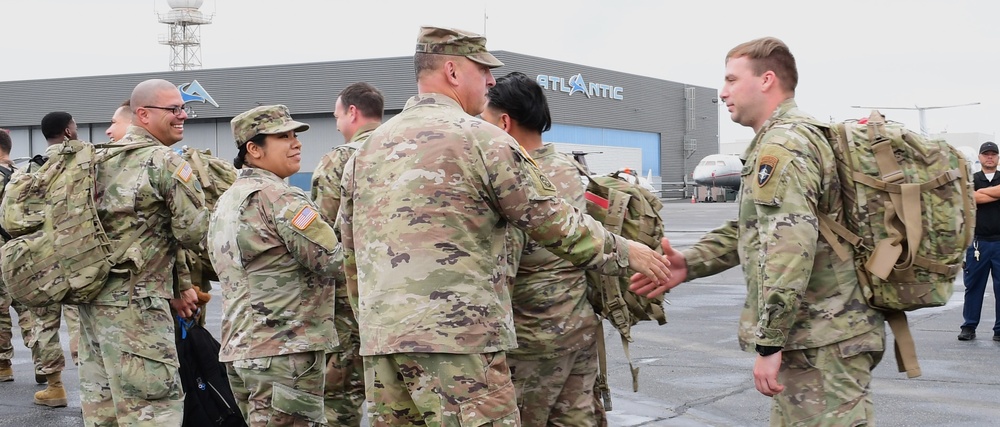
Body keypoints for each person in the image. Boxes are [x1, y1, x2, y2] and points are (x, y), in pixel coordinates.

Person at [339, 26, 671, 426]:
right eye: (483, 70)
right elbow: (553, 222)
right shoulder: (482, 139)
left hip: (384, 347)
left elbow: (351, 254)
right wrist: (627, 251)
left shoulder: (364, 151)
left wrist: (374, 326)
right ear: (453, 71)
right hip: (459, 346)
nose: (492, 80)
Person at [631, 37, 885, 426]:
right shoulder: (789, 138)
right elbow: (753, 227)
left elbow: (790, 246)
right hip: (829, 333)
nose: (723, 91)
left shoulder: (782, 144)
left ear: (766, 80)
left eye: (732, 79)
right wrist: (691, 262)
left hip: (823, 338)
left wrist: (771, 341)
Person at [77, 78, 209, 425]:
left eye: (183, 108)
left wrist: (180, 285)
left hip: (92, 305)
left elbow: (158, 232)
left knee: (102, 409)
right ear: (144, 114)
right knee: (153, 410)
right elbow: (196, 231)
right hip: (139, 308)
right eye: (174, 109)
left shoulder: (98, 160)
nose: (183, 115)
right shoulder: (164, 162)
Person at [481, 71, 605, 426]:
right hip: (578, 329)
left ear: (504, 122)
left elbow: (501, 265)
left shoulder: (514, 178)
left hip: (531, 341)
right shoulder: (568, 167)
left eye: (485, 119)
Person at [210, 104, 343, 426]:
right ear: (253, 149)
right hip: (284, 352)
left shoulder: (228, 199)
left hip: (242, 349)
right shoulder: (281, 198)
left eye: (295, 135)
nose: (296, 143)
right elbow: (334, 261)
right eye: (283, 137)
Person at [311, 81, 383, 426]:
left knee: (339, 398)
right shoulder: (406, 148)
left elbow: (322, 237)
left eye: (337, 116)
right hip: (409, 297)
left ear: (352, 112)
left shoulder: (339, 160)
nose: (337, 123)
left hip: (350, 302)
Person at [0, 127, 69, 408]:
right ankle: (44, 366)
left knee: (1, 311)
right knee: (31, 311)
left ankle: (4, 365)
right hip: (31, 252)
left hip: (4, 253)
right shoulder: (24, 173)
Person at [959, 141, 1000, 341]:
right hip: (978, 243)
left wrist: (979, 195)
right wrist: (993, 193)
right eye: (986, 154)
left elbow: (976, 197)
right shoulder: (972, 179)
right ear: (980, 157)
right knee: (973, 286)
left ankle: (999, 330)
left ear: (998, 157)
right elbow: (969, 198)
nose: (990, 157)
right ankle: (969, 326)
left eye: (993, 154)